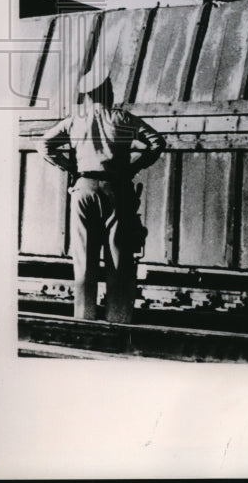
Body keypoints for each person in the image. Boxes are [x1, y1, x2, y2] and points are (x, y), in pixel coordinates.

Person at [39, 72, 164, 323]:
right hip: (116, 189)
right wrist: (133, 167)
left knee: (84, 257)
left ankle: (84, 318)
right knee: (118, 256)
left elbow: (44, 145)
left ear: (87, 96)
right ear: (109, 92)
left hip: (83, 187)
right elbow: (156, 142)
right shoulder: (123, 119)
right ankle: (118, 319)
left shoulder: (75, 121)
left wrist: (70, 167)